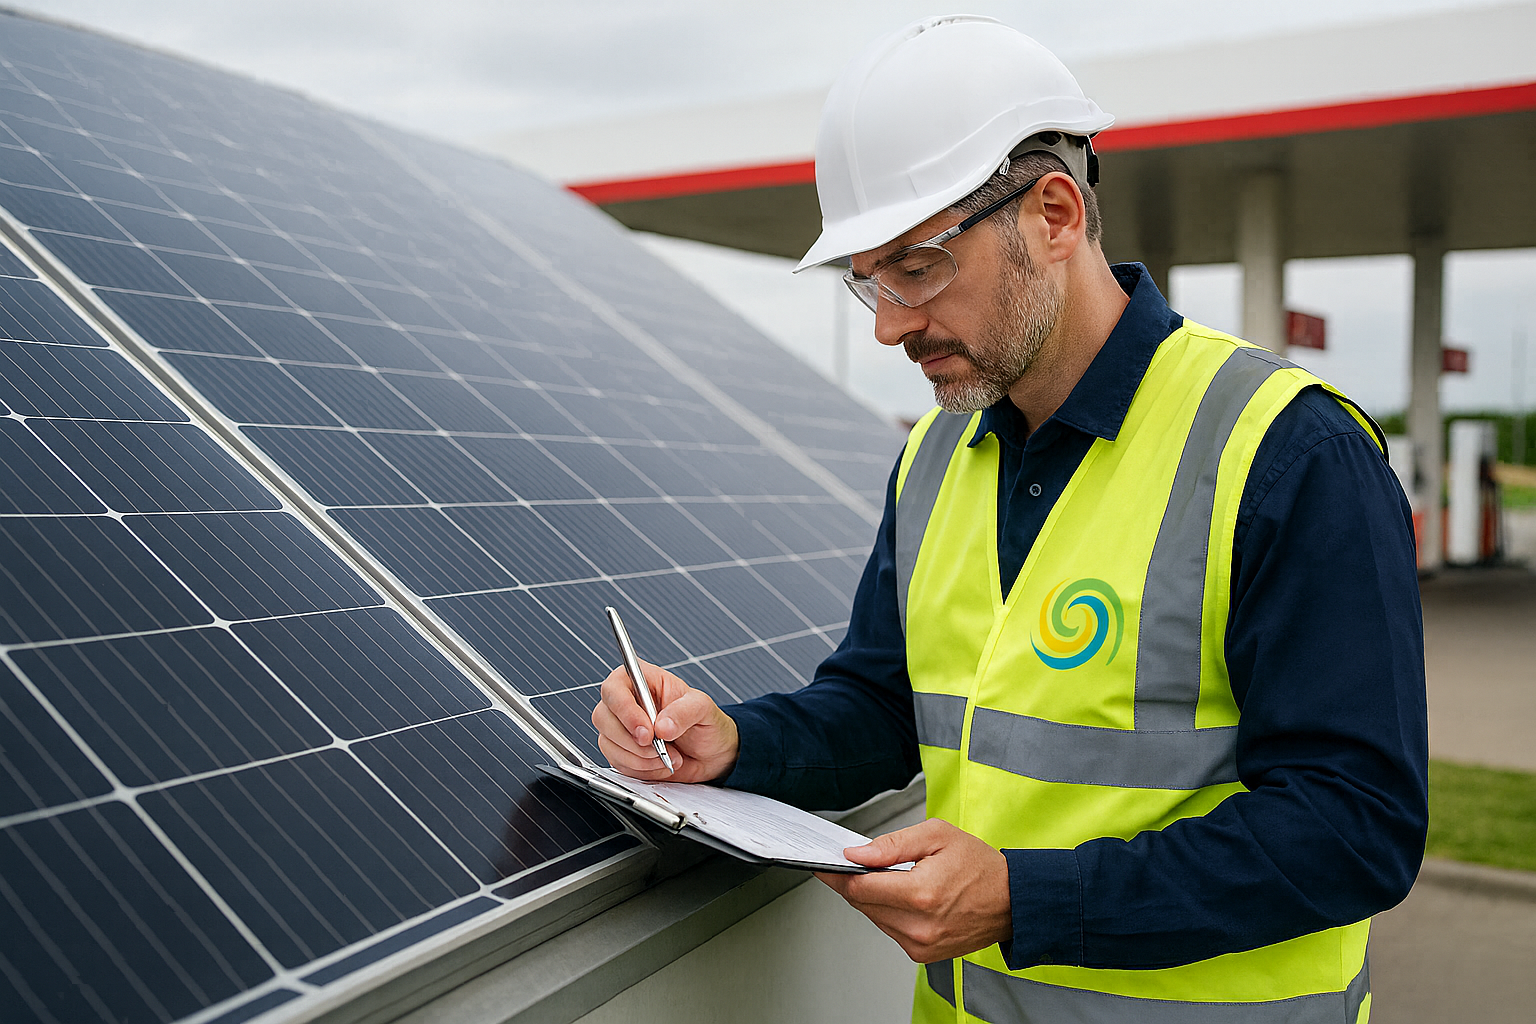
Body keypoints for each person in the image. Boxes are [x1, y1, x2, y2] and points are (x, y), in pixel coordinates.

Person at [593, 15, 1426, 1023]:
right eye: (868, 278)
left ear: (1056, 215)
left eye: (916, 266)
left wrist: (1025, 899)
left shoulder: (1288, 456)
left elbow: (1353, 827)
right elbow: (884, 703)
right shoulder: (937, 456)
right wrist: (738, 741)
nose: (889, 324)